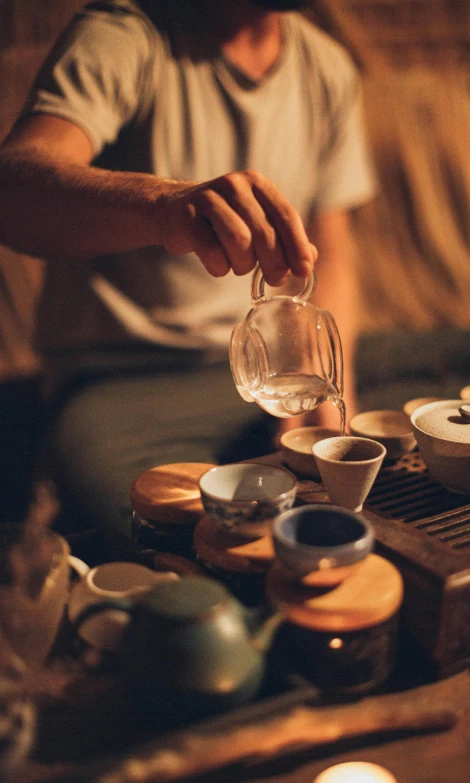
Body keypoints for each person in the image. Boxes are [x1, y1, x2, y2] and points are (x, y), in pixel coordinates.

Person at [0, 0, 376, 543]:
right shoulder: (129, 37)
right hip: (125, 384)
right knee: (203, 542)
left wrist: (330, 381)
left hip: (263, 378)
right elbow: (13, 192)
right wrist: (161, 206)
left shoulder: (327, 67)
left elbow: (333, 250)